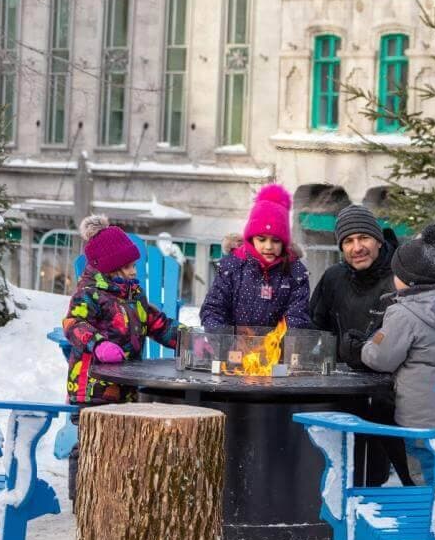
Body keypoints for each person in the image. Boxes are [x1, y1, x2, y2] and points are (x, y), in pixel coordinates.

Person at [62, 224, 178, 498]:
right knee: (92, 441)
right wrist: (98, 343)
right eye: (127, 267)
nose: (134, 271)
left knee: (124, 440)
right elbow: (73, 323)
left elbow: (156, 323)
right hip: (92, 386)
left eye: (134, 265)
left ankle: (115, 493)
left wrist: (190, 340)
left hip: (126, 383)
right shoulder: (88, 294)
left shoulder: (133, 295)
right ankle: (82, 497)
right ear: (110, 268)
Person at [309, 204, 410, 485]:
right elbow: (315, 328)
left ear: (378, 239)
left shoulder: (398, 279)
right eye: (348, 241)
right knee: (335, 473)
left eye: (363, 238)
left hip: (388, 392)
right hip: (340, 388)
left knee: (373, 475)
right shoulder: (333, 278)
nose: (357, 248)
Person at [360, 224, 435, 484]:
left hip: (416, 421)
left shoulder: (402, 313)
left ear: (405, 279)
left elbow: (381, 359)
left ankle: (428, 518)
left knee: (421, 476)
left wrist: (365, 346)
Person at [198, 183, 311, 329]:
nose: (269, 246)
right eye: (262, 240)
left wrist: (277, 343)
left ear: (284, 242)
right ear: (251, 239)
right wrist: (224, 339)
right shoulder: (233, 267)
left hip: (276, 349)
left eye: (276, 240)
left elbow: (297, 316)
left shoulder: (295, 272)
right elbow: (214, 308)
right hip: (234, 348)